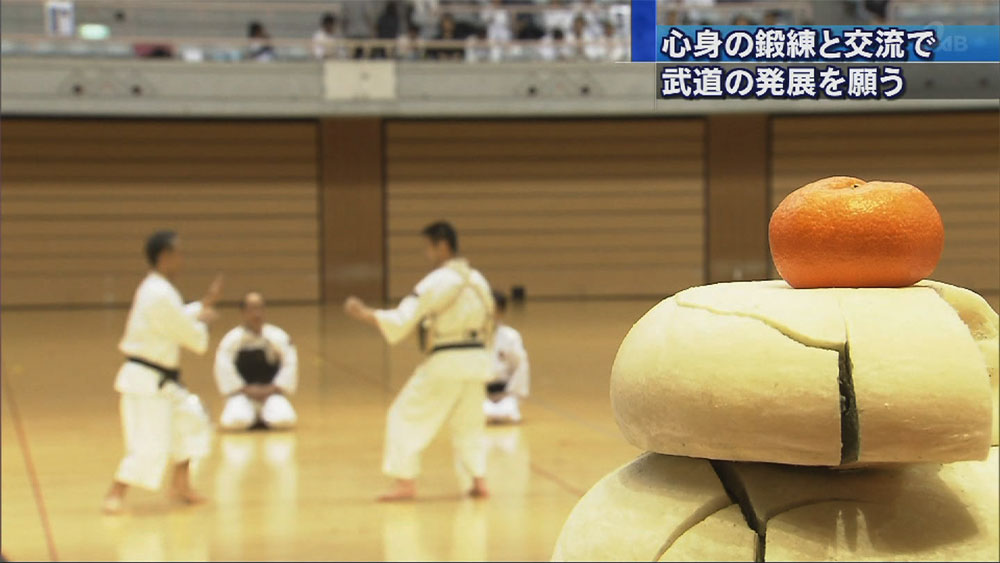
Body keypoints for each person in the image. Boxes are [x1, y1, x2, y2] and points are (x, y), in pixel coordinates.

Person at [344, 221, 494, 501]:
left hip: (446, 360)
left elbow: (403, 318)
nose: (427, 255)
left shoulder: (437, 281)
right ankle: (479, 479)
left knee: (404, 415)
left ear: (442, 246)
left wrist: (365, 313)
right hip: (478, 360)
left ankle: (405, 481)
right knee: (469, 423)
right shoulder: (479, 280)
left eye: (429, 248)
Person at [102, 230, 223, 514]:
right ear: (165, 257)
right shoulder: (158, 293)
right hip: (145, 383)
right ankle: (115, 493)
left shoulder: (159, 290)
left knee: (193, 422)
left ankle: (180, 485)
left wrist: (201, 307)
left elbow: (175, 317)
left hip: (163, 382)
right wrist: (203, 321)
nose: (182, 260)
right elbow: (189, 335)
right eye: (178, 254)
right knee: (148, 446)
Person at [214, 292, 298, 431]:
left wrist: (273, 389)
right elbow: (224, 367)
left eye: (260, 308)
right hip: (242, 394)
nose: (256, 314)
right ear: (243, 312)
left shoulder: (278, 337)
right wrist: (245, 390)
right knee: (235, 422)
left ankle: (264, 415)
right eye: (252, 309)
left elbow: (289, 364)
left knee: (284, 420)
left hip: (271, 393)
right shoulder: (232, 340)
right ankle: (251, 415)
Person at [483, 291, 530, 424]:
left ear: (501, 312)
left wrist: (511, 393)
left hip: (505, 392)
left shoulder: (511, 336)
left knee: (508, 414)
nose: (490, 314)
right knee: (479, 415)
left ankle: (506, 406)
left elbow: (520, 366)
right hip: (480, 393)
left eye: (494, 310)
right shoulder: (473, 337)